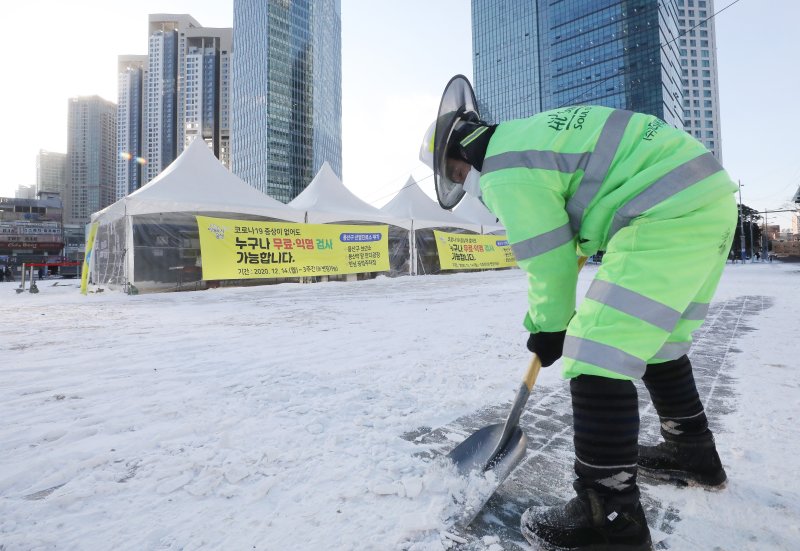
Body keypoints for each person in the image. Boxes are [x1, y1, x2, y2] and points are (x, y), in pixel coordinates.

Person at [421, 75, 736, 551]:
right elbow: (569, 234)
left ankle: (609, 517)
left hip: (664, 211)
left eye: (457, 174)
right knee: (659, 340)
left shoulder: (506, 168)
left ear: (462, 154)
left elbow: (547, 260)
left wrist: (550, 327)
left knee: (595, 350)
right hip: (705, 200)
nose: (464, 183)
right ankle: (692, 452)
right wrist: (545, 322)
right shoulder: (529, 138)